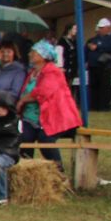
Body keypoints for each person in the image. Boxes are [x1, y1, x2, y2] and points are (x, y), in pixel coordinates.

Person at [18, 39, 80, 167]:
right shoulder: (32, 73)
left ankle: (58, 173)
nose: (30, 54)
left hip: (55, 116)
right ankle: (27, 172)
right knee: (24, 139)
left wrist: (23, 99)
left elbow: (43, 92)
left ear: (44, 56)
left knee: (45, 140)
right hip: (31, 117)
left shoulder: (53, 72)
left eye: (34, 53)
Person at [85, 16, 111, 112]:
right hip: (93, 66)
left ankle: (103, 106)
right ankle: (94, 105)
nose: (100, 30)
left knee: (104, 87)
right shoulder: (93, 39)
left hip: (105, 67)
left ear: (108, 28)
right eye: (99, 28)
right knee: (94, 86)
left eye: (102, 28)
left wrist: (98, 47)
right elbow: (87, 48)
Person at [0, 36, 28, 106]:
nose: (5, 54)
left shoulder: (19, 71)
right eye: (2, 51)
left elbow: (15, 93)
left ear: (14, 53)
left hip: (5, 107)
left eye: (9, 52)